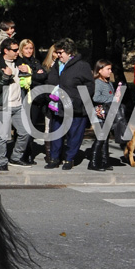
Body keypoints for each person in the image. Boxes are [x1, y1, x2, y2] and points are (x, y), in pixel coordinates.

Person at [44, 38, 94, 170]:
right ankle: (54, 158)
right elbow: (51, 80)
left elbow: (89, 86)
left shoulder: (82, 66)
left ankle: (69, 158)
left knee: (74, 134)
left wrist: (78, 99)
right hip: (58, 105)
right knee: (56, 132)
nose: (58, 56)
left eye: (61, 53)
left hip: (76, 107)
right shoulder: (57, 65)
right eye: (57, 53)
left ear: (69, 52)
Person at [0, 38, 33, 170]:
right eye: (14, 50)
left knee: (25, 132)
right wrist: (6, 76)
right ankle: (2, 163)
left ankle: (15, 158)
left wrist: (27, 71)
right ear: (5, 51)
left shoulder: (19, 63)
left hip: (18, 105)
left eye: (17, 49)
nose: (17, 52)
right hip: (3, 106)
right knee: (3, 136)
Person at [15, 39, 47, 164]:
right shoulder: (19, 62)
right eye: (26, 48)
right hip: (25, 98)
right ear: (21, 49)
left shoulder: (35, 61)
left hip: (36, 99)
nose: (29, 51)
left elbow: (44, 75)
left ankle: (29, 153)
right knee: (25, 128)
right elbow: (25, 79)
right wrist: (35, 74)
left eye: (31, 48)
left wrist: (30, 73)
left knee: (32, 127)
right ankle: (22, 155)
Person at [87, 60, 116, 172]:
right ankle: (93, 162)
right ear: (100, 70)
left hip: (107, 113)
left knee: (105, 138)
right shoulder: (98, 82)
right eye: (108, 69)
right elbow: (96, 98)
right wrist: (112, 99)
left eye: (110, 69)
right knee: (100, 137)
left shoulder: (107, 82)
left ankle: (105, 161)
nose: (110, 71)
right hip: (99, 113)